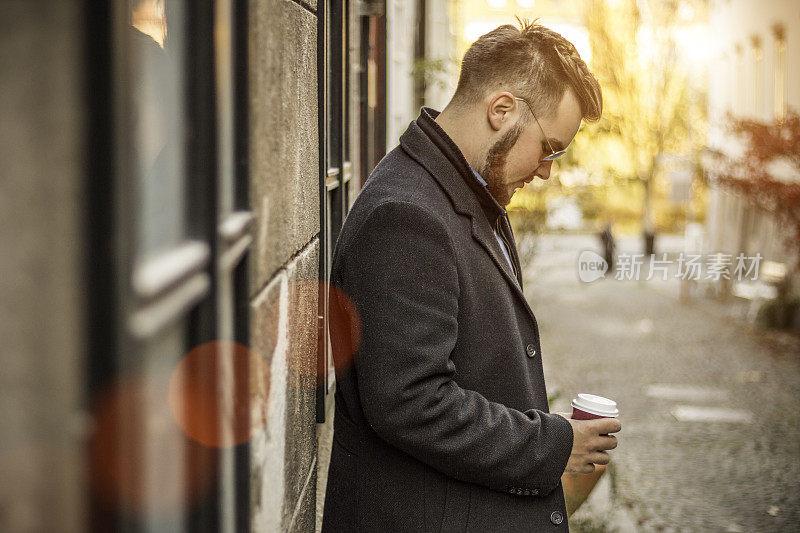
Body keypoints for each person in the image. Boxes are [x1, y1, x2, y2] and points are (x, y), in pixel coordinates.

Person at [322, 19, 621, 532]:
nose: (548, 169)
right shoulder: (407, 214)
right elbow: (411, 403)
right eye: (549, 147)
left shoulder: (464, 192)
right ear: (501, 110)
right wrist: (554, 444)